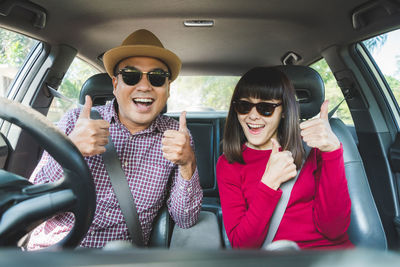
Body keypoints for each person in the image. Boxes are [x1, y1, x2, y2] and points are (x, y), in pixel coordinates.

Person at [26, 29, 203, 249]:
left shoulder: (177, 137)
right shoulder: (76, 122)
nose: (145, 86)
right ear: (115, 84)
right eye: (131, 75)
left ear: (167, 89)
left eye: (157, 78)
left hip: (120, 256)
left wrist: (188, 164)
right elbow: (32, 205)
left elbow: (185, 219)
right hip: (56, 251)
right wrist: (70, 150)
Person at [216, 66, 353, 249]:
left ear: (284, 111)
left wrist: (332, 152)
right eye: (244, 106)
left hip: (331, 256)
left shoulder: (315, 147)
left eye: (265, 108)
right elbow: (243, 246)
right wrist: (269, 183)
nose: (253, 115)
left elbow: (334, 229)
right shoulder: (229, 164)